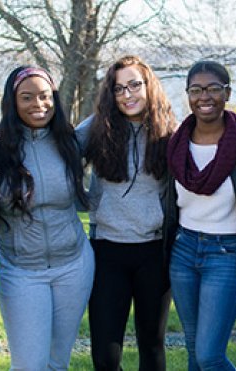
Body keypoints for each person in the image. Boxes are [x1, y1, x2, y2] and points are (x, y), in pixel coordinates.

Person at [0, 66, 94, 370]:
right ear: (12, 102)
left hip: (74, 267)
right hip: (22, 271)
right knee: (29, 366)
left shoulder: (70, 141)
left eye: (45, 96)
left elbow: (112, 114)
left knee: (57, 363)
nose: (38, 104)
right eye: (27, 97)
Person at [75, 55, 176, 371]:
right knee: (106, 354)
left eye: (135, 85)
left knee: (152, 345)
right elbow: (59, 153)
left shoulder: (169, 129)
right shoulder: (96, 128)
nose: (128, 94)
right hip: (107, 251)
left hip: (154, 252)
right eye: (119, 89)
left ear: (149, 86)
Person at [163, 60, 236, 371]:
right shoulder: (176, 144)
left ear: (227, 93)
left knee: (210, 356)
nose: (203, 96)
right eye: (195, 90)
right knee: (195, 352)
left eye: (212, 89)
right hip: (182, 250)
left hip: (227, 252)